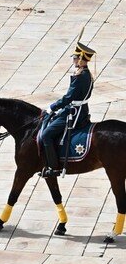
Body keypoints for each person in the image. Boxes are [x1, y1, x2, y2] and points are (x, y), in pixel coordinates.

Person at [39, 39, 95, 177]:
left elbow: (68, 97)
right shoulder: (86, 74)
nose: (73, 60)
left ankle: (53, 167)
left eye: (75, 58)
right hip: (82, 110)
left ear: (81, 59)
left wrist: (53, 107)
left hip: (74, 113)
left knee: (46, 135)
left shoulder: (80, 77)